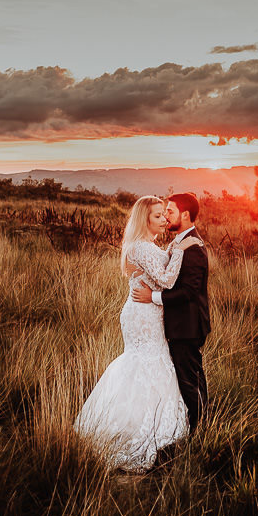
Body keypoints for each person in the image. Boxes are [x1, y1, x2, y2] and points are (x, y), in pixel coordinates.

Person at [73, 195, 203, 472]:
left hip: (147, 310)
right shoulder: (142, 248)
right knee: (144, 361)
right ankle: (134, 428)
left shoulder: (149, 246)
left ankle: (159, 421)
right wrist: (180, 248)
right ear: (144, 219)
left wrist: (174, 249)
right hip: (143, 313)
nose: (164, 219)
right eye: (157, 216)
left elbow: (162, 270)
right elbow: (167, 280)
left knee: (150, 361)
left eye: (165, 214)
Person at [131, 192, 210, 432]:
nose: (166, 216)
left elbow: (188, 292)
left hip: (187, 326)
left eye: (170, 211)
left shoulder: (193, 248)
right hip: (179, 325)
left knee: (188, 381)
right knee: (192, 376)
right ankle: (203, 422)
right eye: (163, 212)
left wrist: (151, 297)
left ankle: (200, 430)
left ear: (185, 215)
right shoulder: (179, 243)